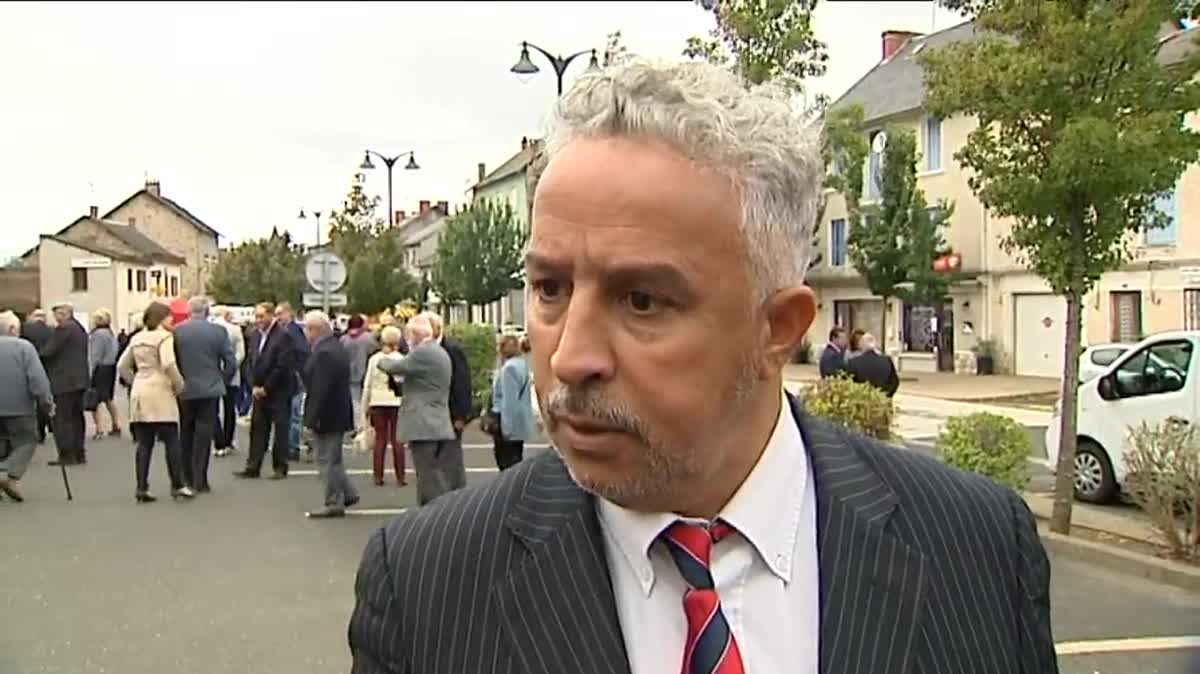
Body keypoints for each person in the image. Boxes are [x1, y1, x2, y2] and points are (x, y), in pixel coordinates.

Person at [348, 60, 1056, 673]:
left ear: (778, 330)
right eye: (550, 289)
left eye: (643, 300)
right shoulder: (425, 583)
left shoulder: (979, 546)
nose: (571, 356)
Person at [376, 315, 461, 505]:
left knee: (427, 473)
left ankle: (439, 510)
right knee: (431, 470)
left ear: (414, 334)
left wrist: (382, 357)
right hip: (437, 420)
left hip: (423, 423)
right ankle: (428, 509)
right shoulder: (439, 352)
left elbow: (395, 367)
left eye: (408, 335)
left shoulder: (423, 352)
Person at [117, 301, 192, 502]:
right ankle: (177, 484)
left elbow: (123, 366)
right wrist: (179, 385)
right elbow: (169, 363)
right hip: (160, 389)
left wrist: (136, 382)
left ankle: (142, 487)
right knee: (171, 440)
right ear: (161, 318)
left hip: (141, 388)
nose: (172, 321)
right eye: (169, 317)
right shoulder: (164, 338)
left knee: (144, 443)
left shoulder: (137, 338)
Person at [173, 297, 236, 492]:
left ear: (189, 311)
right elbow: (231, 361)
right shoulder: (218, 332)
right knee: (204, 434)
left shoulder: (178, 332)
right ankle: (201, 478)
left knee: (185, 433)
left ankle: (186, 477)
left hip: (185, 388)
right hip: (210, 389)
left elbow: (172, 360)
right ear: (207, 311)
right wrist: (222, 379)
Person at [300, 310, 359, 518]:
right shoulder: (334, 347)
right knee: (333, 459)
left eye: (306, 329)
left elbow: (320, 389)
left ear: (315, 329)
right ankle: (348, 493)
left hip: (328, 414)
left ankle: (333, 501)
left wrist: (309, 419)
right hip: (337, 411)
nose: (305, 334)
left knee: (326, 459)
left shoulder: (324, 352)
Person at [235, 302, 296, 480]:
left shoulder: (283, 336)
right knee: (258, 429)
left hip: (278, 390)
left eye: (262, 316)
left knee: (280, 429)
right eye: (257, 317)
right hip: (258, 389)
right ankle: (253, 466)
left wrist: (266, 387)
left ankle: (280, 466)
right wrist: (253, 385)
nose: (258, 320)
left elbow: (282, 365)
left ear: (271, 316)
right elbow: (249, 362)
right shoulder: (255, 335)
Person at [0, 311, 53, 502]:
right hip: (19, 406)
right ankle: (11, 474)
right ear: (13, 329)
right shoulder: (24, 348)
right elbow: (37, 379)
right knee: (27, 440)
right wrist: (46, 402)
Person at [40, 301, 89, 466]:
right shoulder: (80, 329)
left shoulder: (64, 329)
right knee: (77, 417)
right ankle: (79, 452)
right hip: (79, 379)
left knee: (62, 418)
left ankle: (66, 454)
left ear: (66, 314)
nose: (57, 319)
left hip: (63, 380)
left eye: (58, 315)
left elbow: (48, 352)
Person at [361, 326, 405, 487]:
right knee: (397, 439)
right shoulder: (401, 359)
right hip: (396, 401)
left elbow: (368, 384)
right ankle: (400, 476)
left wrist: (365, 406)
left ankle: (378, 476)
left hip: (377, 401)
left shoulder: (374, 359)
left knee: (380, 439)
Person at [421, 312, 473, 442]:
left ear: (438, 328)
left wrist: (460, 416)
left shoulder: (452, 350)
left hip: (449, 414)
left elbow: (461, 382)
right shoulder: (419, 350)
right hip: (425, 416)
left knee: (448, 457)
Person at [489, 333, 535, 471]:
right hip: (521, 421)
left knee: (506, 462)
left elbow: (509, 401)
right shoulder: (523, 365)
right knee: (516, 459)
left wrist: (507, 428)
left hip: (506, 422)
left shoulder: (509, 369)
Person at [276, 302, 309, 462]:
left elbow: (302, 352)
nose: (278, 318)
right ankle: (289, 445)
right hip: (292, 376)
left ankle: (292, 447)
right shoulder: (288, 330)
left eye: (280, 314)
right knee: (290, 413)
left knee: (294, 414)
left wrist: (296, 369)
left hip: (295, 377)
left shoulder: (293, 331)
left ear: (289, 313)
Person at [212, 307, 246, 457]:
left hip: (212, 374)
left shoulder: (210, 330)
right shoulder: (235, 330)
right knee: (229, 408)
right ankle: (228, 439)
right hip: (231, 375)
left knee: (213, 409)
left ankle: (218, 440)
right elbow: (241, 353)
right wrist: (230, 368)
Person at [341, 314, 379, 440]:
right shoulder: (368, 339)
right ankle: (367, 426)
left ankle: (358, 426)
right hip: (366, 372)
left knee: (355, 402)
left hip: (350, 374)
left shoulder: (344, 340)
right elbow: (375, 351)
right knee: (367, 400)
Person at [20, 308, 53, 444]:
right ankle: (44, 427)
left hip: (28, 366)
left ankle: (33, 430)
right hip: (48, 367)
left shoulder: (26, 329)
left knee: (29, 398)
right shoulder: (52, 330)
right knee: (43, 397)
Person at [87, 309, 121, 440]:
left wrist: (89, 372)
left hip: (100, 369)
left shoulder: (97, 335)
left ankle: (99, 428)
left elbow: (94, 355)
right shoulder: (110, 333)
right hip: (110, 367)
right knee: (108, 398)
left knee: (94, 399)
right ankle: (116, 423)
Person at [846, 332, 900, 397]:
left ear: (862, 345)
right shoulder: (886, 360)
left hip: (863, 400)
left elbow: (849, 383)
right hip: (884, 400)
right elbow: (895, 381)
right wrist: (887, 394)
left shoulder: (853, 362)